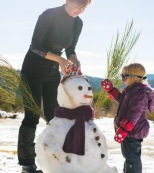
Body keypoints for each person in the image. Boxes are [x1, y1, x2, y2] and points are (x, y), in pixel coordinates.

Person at [17, 0, 92, 172]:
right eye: (78, 5)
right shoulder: (48, 15)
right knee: (32, 116)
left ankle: (52, 159)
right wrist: (59, 59)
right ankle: (27, 164)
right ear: (68, 1)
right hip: (32, 70)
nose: (80, 10)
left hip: (52, 73)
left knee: (55, 116)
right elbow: (35, 46)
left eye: (84, 8)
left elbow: (70, 49)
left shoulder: (77, 23)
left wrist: (74, 59)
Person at [101, 63, 154, 173]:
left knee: (132, 157)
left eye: (124, 76)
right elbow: (122, 101)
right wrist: (111, 90)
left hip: (133, 130)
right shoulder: (132, 90)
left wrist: (124, 130)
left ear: (133, 78)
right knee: (129, 156)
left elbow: (134, 113)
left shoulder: (139, 93)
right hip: (130, 130)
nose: (122, 79)